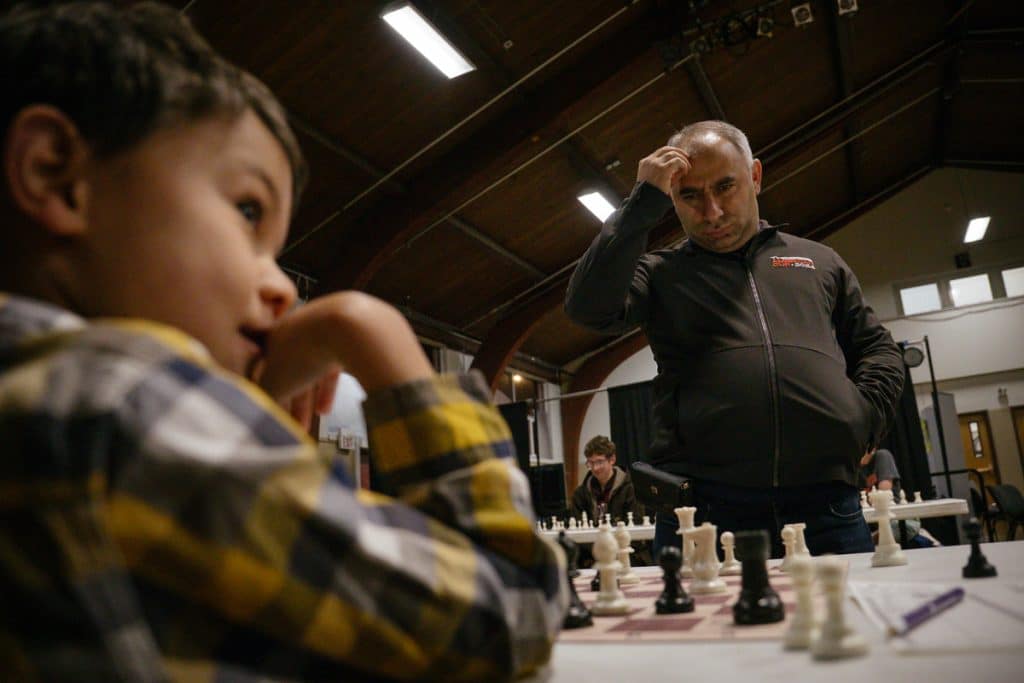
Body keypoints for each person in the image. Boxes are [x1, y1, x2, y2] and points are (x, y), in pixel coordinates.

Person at [0, 3, 566, 681]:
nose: (281, 289)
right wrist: (371, 329)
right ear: (56, 172)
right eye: (248, 210)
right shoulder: (121, 401)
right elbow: (511, 613)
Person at [564, 120, 906, 559]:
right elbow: (587, 308)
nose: (712, 212)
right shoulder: (660, 274)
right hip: (705, 509)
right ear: (671, 198)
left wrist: (863, 418)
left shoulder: (819, 262)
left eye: (726, 187)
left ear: (755, 176)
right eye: (690, 195)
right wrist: (640, 204)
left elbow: (877, 348)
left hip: (826, 505)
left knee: (846, 607)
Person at [860, 447, 936, 547]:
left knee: (894, 529)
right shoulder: (853, 468)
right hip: (871, 523)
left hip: (895, 518)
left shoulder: (882, 456)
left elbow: (884, 491)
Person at [569, 435, 641, 525]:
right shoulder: (580, 494)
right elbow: (577, 527)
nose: (595, 468)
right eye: (591, 463)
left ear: (612, 459)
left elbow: (636, 524)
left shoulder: (631, 489)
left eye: (599, 462)